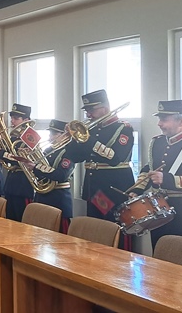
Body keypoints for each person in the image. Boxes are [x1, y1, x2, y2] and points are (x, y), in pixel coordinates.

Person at [129, 100, 182, 250]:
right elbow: (150, 168)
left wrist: (167, 179)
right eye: (159, 119)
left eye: (164, 119)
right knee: (160, 256)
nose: (159, 124)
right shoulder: (157, 142)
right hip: (161, 214)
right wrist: (137, 189)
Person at [73, 90, 135, 250]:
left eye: (91, 110)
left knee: (115, 229)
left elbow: (116, 158)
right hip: (93, 188)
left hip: (113, 189)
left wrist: (88, 140)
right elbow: (76, 157)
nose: (88, 114)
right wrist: (73, 139)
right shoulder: (92, 129)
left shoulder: (123, 128)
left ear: (105, 108)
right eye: (87, 110)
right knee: (96, 230)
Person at [25, 119, 75, 233]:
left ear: (64, 135)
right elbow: (38, 170)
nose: (50, 137)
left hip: (58, 197)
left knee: (59, 234)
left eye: (54, 134)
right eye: (50, 133)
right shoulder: (48, 150)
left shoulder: (69, 152)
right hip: (42, 195)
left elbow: (61, 175)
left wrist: (36, 167)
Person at [0, 103, 35, 222]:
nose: (12, 121)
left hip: (23, 185)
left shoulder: (31, 137)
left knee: (22, 220)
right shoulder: (13, 137)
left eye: (16, 118)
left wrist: (1, 153)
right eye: (12, 118)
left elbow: (23, 161)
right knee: (9, 220)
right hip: (11, 183)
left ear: (26, 120)